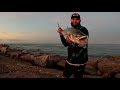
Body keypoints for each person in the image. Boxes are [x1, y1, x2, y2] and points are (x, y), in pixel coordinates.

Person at [57, 13, 89, 78]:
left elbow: (84, 41)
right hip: (70, 61)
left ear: (80, 20)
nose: (75, 21)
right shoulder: (69, 30)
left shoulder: (83, 30)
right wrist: (61, 34)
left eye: (77, 19)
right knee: (64, 76)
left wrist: (73, 40)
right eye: (73, 19)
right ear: (71, 20)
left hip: (80, 62)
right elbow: (65, 44)